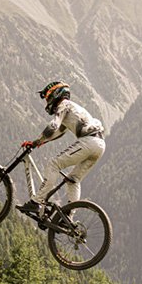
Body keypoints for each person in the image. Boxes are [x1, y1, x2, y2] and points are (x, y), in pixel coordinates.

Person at [18, 81, 105, 215]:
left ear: (55, 94)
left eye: (47, 97)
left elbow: (53, 127)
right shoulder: (72, 109)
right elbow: (57, 133)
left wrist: (37, 141)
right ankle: (68, 217)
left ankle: (36, 202)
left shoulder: (64, 105)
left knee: (53, 164)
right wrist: (36, 142)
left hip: (89, 141)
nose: (47, 101)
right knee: (73, 180)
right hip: (99, 144)